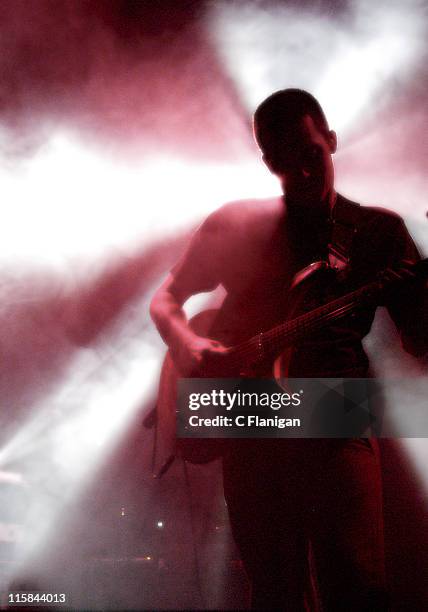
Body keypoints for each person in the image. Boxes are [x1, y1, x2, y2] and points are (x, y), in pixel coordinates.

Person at [150, 89, 427, 610]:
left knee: (359, 589)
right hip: (247, 410)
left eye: (311, 155)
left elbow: (421, 339)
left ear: (332, 141)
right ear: (266, 161)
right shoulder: (238, 225)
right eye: (282, 162)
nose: (301, 173)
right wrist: (187, 343)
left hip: (336, 403)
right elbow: (165, 299)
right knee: (274, 591)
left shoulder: (378, 232)